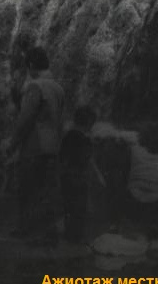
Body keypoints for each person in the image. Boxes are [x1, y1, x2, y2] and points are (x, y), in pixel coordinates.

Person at [6, 46, 65, 245]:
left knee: (26, 187)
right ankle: (49, 231)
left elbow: (26, 118)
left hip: (35, 144)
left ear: (31, 65)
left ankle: (25, 228)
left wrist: (13, 144)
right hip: (53, 144)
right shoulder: (57, 87)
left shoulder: (35, 87)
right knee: (47, 189)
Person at [124, 122, 158, 238]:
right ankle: (154, 224)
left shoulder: (134, 150)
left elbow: (125, 174)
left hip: (133, 199)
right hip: (154, 203)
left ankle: (125, 222)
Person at [60, 106, 101, 242]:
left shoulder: (68, 136)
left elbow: (63, 157)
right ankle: (76, 236)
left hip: (67, 176)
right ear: (89, 122)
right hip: (79, 177)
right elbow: (86, 158)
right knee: (79, 208)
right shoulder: (84, 139)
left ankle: (69, 234)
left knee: (69, 207)